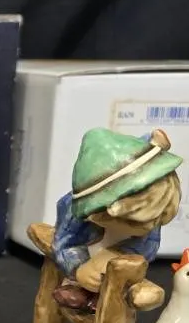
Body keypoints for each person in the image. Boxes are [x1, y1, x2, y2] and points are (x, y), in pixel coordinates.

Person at [49, 128, 182, 310]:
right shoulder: (74, 213)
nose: (152, 226)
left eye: (158, 219)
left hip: (119, 271)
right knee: (79, 285)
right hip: (86, 264)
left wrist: (119, 254)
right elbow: (64, 244)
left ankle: (109, 297)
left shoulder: (152, 214)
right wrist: (79, 268)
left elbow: (149, 247)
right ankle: (80, 290)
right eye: (138, 223)